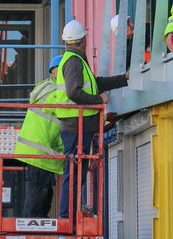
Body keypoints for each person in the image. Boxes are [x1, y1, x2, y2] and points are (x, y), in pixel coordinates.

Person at [55, 19, 129, 216]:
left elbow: (95, 84)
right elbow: (74, 92)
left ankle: (70, 212)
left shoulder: (75, 59)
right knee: (74, 171)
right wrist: (99, 100)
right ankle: (67, 214)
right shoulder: (74, 61)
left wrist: (124, 78)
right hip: (76, 125)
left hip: (78, 125)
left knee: (77, 171)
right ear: (83, 40)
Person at [12, 55, 68, 218]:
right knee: (39, 193)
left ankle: (36, 224)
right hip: (39, 150)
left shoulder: (48, 89)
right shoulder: (54, 92)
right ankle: (31, 227)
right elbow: (71, 111)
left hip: (39, 150)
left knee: (44, 193)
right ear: (55, 72)